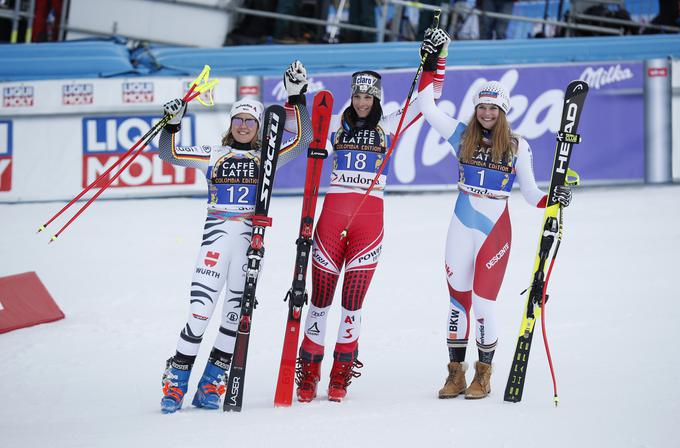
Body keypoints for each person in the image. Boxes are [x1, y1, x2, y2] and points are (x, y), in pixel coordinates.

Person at [294, 28, 451, 403]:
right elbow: (296, 131)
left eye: (368, 96)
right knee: (320, 298)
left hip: (369, 220)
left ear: (377, 98)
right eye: (358, 96)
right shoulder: (334, 123)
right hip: (332, 217)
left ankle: (341, 372)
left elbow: (431, 98)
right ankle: (309, 371)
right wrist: (295, 97)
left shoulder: (391, 121)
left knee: (352, 302)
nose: (362, 102)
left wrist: (435, 57)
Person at [416, 39, 572, 399]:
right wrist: (435, 59)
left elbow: (532, 194)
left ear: (503, 111)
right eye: (482, 106)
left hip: (494, 231)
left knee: (484, 303)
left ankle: (483, 375)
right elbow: (426, 105)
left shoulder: (518, 145)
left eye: (493, 107)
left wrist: (554, 197)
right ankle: (455, 373)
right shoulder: (461, 134)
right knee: (457, 302)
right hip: (460, 224)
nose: (487, 112)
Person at [157, 61, 313, 414]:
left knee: (233, 317)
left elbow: (303, 139)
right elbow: (169, 153)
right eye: (238, 120)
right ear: (230, 124)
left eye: (250, 121)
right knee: (200, 313)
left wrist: (296, 97)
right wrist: (173, 125)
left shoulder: (266, 156)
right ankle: (176, 380)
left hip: (249, 245)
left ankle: (212, 381)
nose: (243, 126)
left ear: (259, 127)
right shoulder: (213, 154)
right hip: (215, 241)